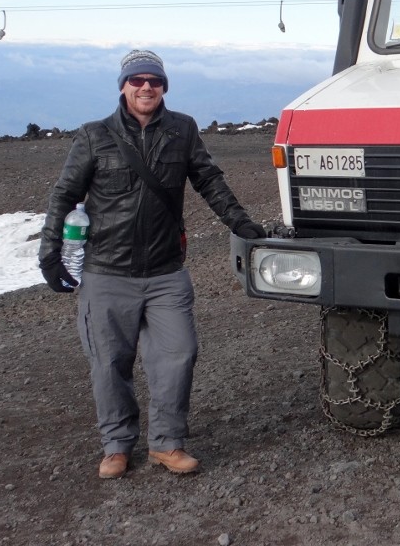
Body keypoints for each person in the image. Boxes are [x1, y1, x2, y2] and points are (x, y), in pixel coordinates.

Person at [39, 49, 266, 480]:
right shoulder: (94, 135)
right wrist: (50, 253)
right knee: (109, 363)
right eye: (138, 79)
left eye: (155, 81)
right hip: (107, 272)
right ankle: (117, 445)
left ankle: (167, 442)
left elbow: (207, 179)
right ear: (123, 85)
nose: (147, 87)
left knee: (179, 354)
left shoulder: (182, 129)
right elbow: (64, 195)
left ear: (165, 87)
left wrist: (240, 222)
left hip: (165, 272)